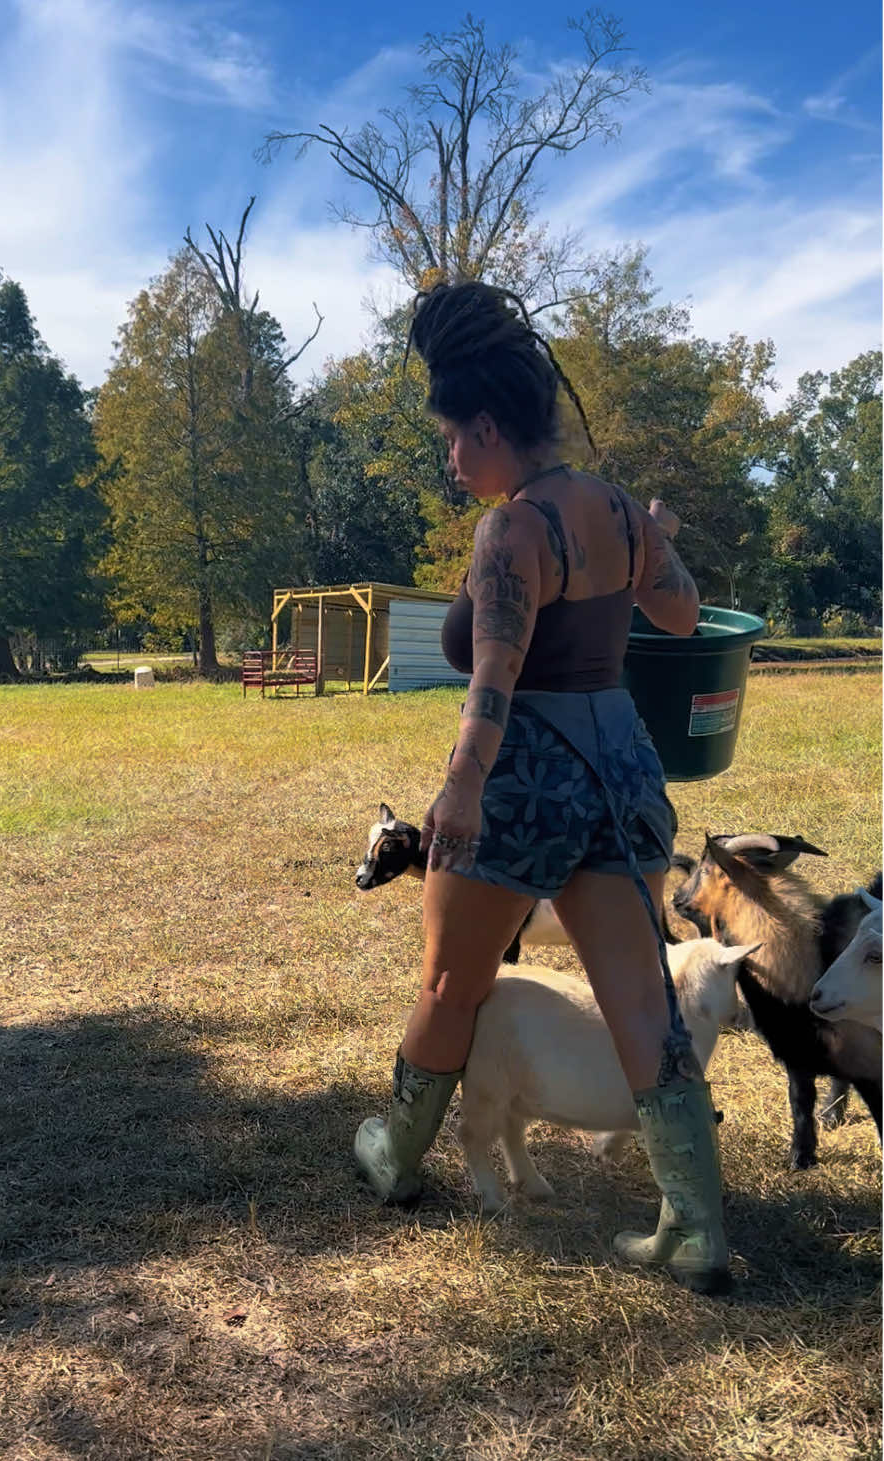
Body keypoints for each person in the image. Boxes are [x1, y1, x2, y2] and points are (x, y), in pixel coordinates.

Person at [354, 280, 732, 1296]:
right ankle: (695, 1227)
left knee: (450, 982)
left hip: (524, 780)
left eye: (452, 440)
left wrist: (461, 790)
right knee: (641, 1001)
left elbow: (493, 682)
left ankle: (394, 1156)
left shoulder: (512, 532)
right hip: (619, 773)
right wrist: (660, 533)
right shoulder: (615, 510)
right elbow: (686, 617)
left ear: (487, 425)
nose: (450, 460)